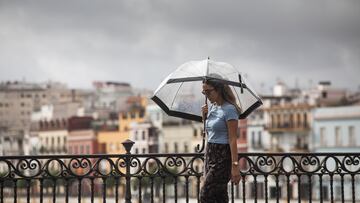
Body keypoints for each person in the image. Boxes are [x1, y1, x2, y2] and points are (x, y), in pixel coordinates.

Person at [200, 77, 241, 203]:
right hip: (210, 153)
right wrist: (204, 118)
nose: (206, 95)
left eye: (208, 91)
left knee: (204, 194)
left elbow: (233, 139)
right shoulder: (212, 108)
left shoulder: (229, 109)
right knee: (219, 196)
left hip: (222, 155)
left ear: (218, 89)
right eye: (204, 92)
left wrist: (235, 166)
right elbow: (210, 132)